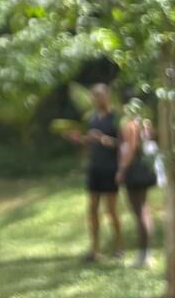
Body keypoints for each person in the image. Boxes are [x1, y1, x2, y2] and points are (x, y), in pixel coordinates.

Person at [61, 81, 123, 261]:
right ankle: (94, 250)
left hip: (110, 168)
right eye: (94, 97)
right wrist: (79, 139)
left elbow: (122, 143)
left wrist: (104, 139)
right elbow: (90, 141)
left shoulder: (116, 117)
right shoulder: (92, 118)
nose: (97, 100)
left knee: (111, 210)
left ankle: (119, 247)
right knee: (92, 209)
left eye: (100, 96)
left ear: (107, 96)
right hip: (95, 168)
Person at [117, 96, 159, 268]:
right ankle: (147, 253)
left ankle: (144, 256)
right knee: (144, 210)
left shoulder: (130, 125)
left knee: (140, 211)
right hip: (145, 170)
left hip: (134, 171)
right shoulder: (145, 124)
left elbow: (131, 148)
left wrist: (121, 170)